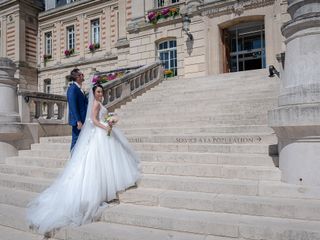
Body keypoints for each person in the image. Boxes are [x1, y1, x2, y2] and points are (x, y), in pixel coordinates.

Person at [27, 84, 141, 237]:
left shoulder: (99, 103)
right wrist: (105, 126)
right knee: (97, 163)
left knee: (107, 162)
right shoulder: (95, 104)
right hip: (99, 134)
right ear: (94, 93)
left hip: (102, 133)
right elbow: (93, 120)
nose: (101, 94)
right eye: (98, 92)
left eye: (102, 91)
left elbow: (100, 117)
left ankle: (107, 189)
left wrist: (109, 120)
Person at [67, 68, 88, 150]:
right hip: (78, 121)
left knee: (80, 141)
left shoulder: (79, 88)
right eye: (82, 74)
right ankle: (72, 160)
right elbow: (72, 106)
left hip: (83, 120)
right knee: (75, 141)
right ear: (77, 77)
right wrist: (78, 120)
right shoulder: (72, 88)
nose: (83, 76)